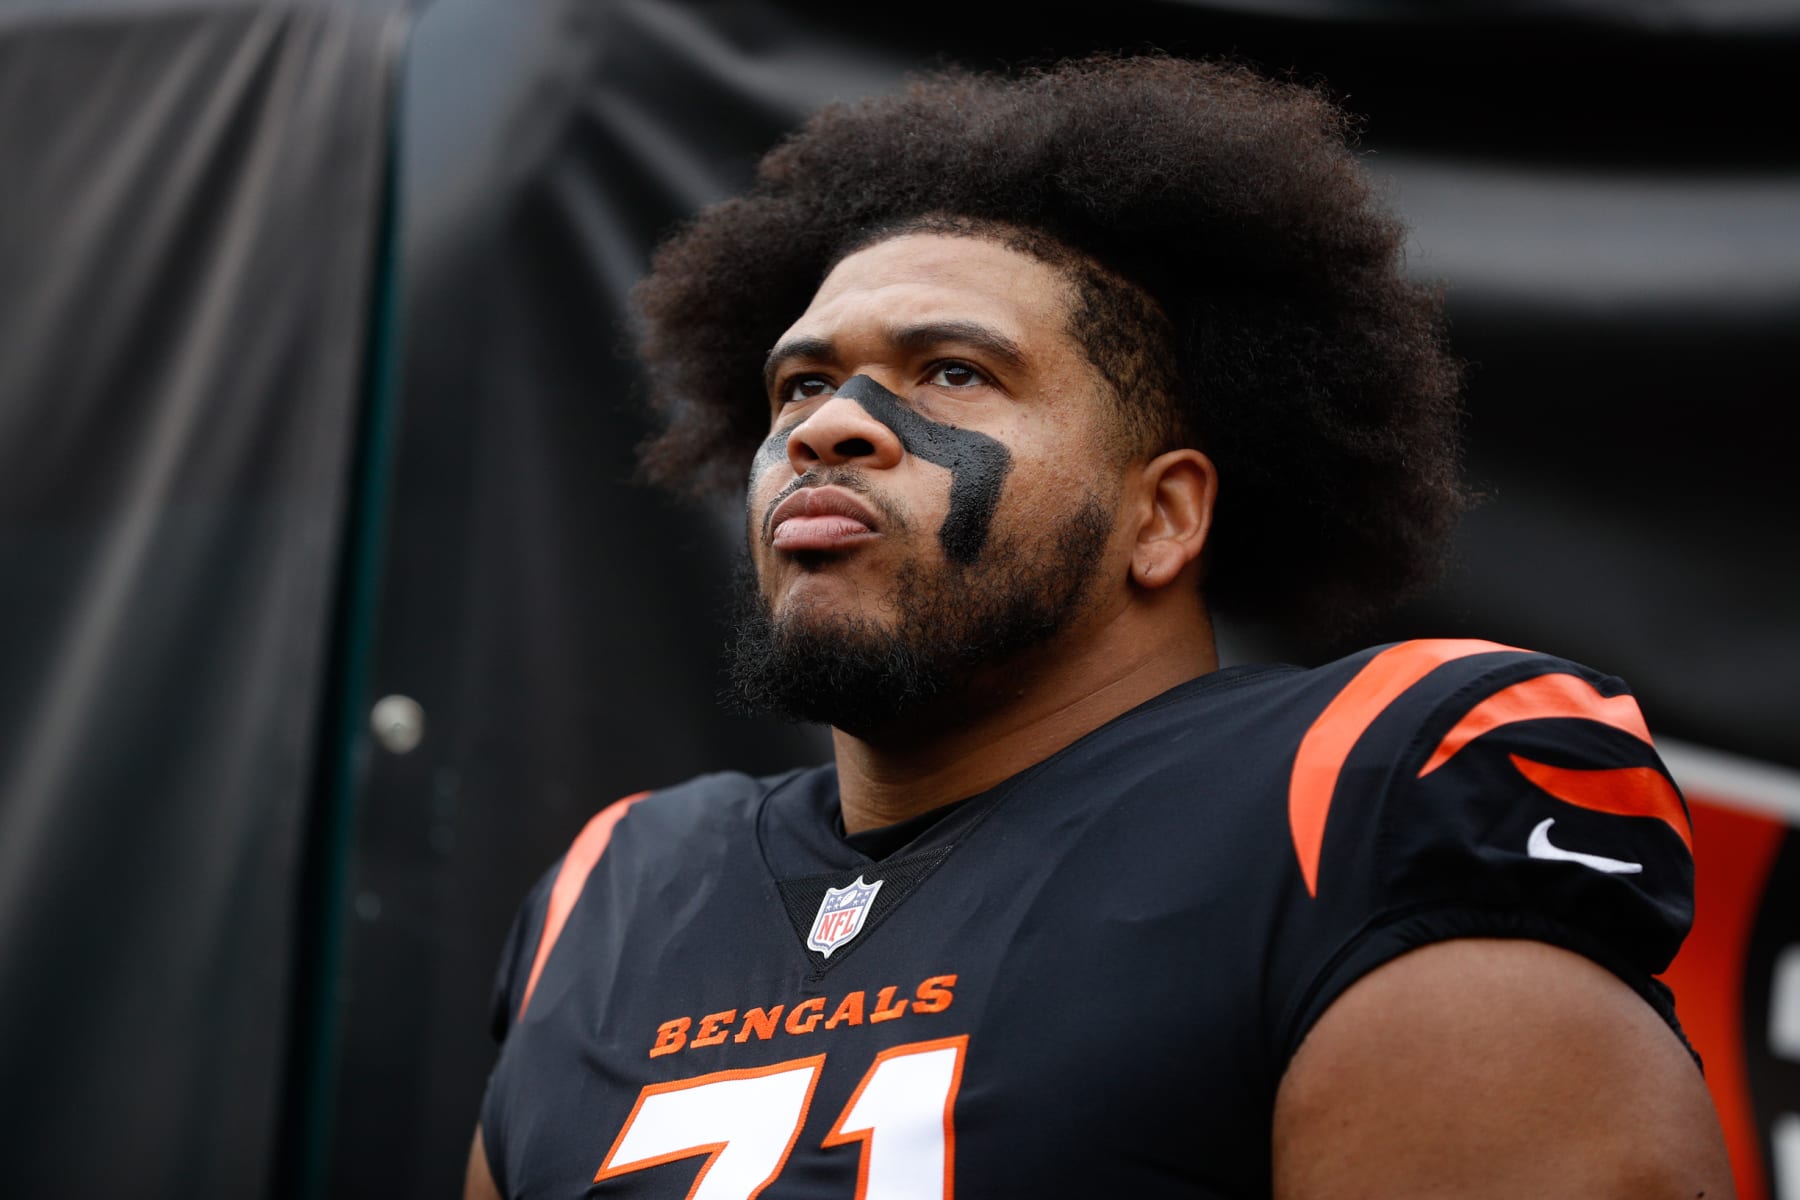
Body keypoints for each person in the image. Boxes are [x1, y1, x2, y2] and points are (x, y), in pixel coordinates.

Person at [466, 56, 1733, 1199]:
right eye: (801, 383)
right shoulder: (614, 886)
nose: (826, 428)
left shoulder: (1355, 796)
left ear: (1165, 513)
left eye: (953, 370)